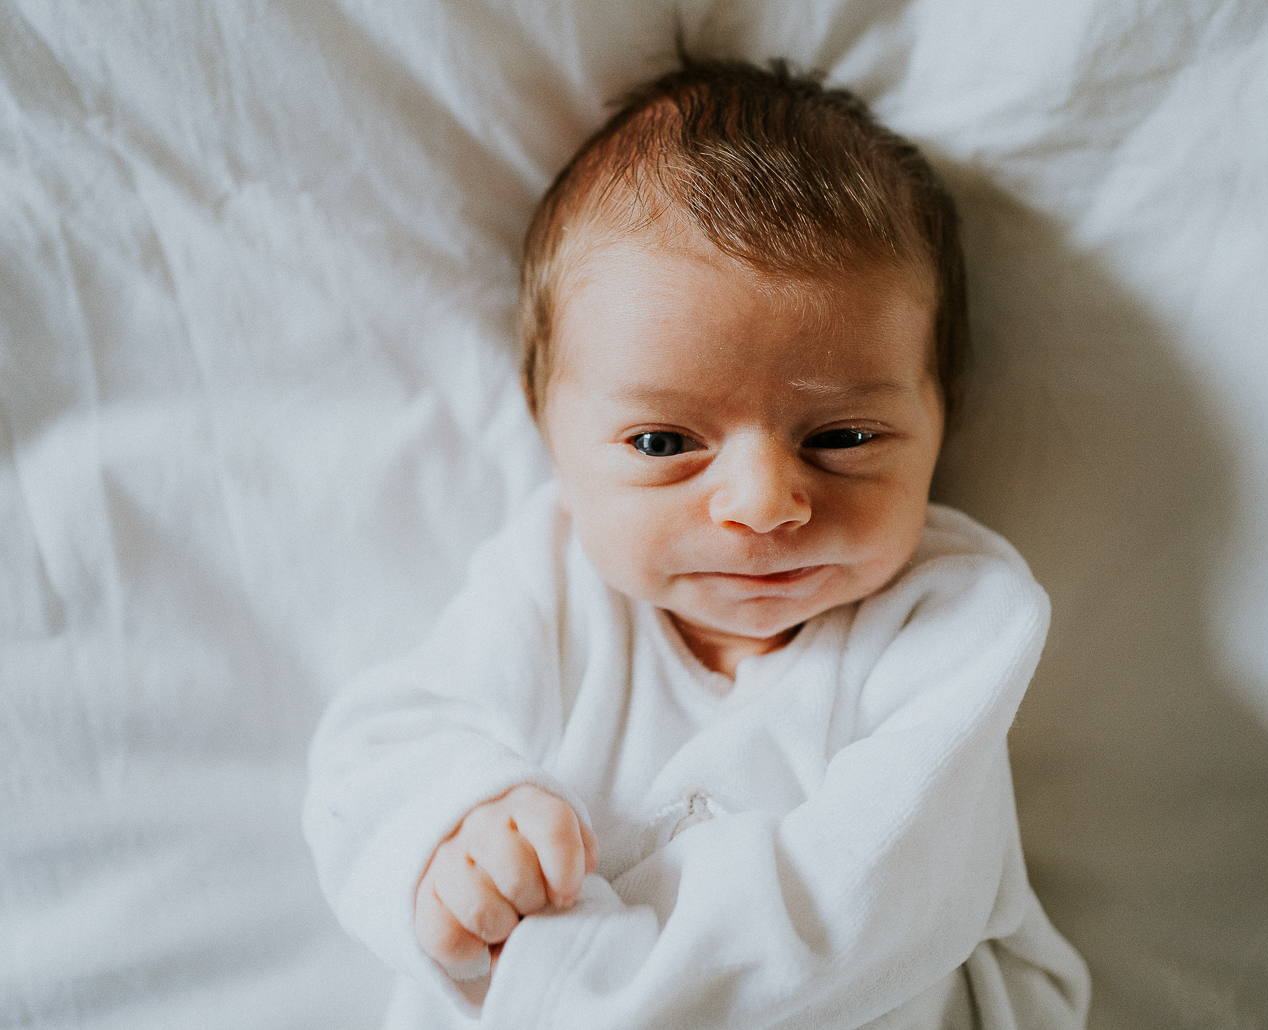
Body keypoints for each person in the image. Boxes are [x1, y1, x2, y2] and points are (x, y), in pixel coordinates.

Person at [303, 55, 1089, 1030]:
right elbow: (380, 746)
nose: (763, 506)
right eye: (664, 443)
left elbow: (852, 910)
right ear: (548, 430)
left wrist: (572, 983)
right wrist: (453, 831)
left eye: (843, 436)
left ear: (941, 417)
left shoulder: (956, 622)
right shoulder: (551, 579)